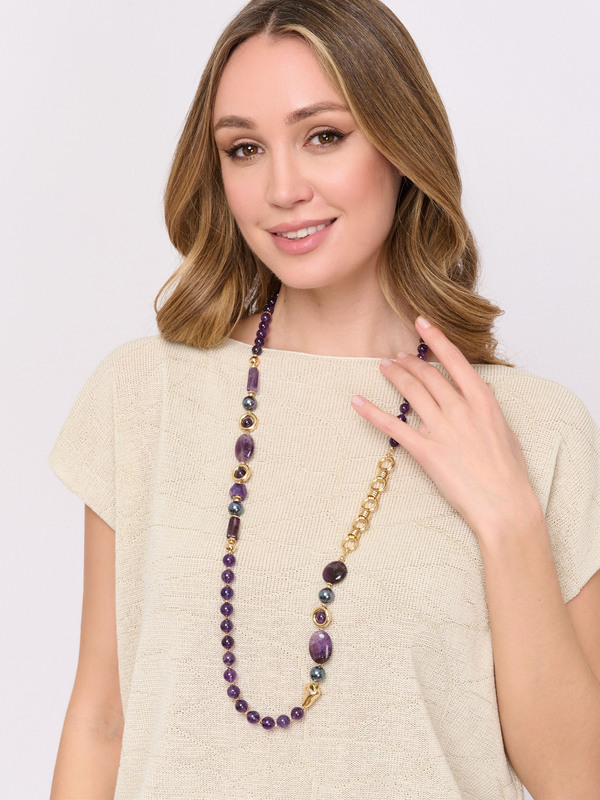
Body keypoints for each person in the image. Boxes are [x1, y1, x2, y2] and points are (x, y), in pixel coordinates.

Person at [48, 0, 600, 798]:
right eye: (244, 149)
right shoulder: (144, 395)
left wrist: (509, 519)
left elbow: (577, 780)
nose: (282, 188)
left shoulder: (536, 427)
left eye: (324, 136)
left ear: (400, 144)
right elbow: (102, 720)